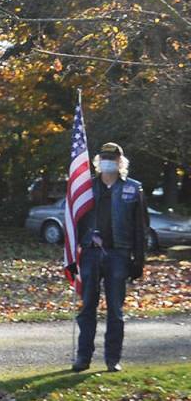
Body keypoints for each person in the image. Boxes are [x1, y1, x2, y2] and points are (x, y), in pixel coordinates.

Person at [71, 143, 148, 373]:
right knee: (87, 309)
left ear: (120, 161)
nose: (108, 162)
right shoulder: (86, 188)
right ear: (97, 161)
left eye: (112, 158)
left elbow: (141, 227)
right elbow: (75, 221)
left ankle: (112, 359)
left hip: (119, 255)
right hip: (90, 255)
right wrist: (78, 248)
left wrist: (139, 260)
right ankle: (83, 358)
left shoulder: (134, 189)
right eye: (104, 158)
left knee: (115, 310)